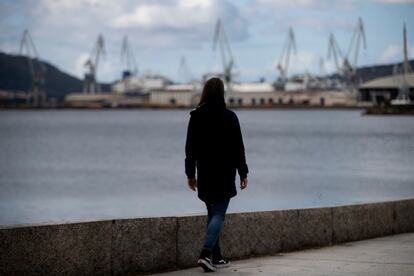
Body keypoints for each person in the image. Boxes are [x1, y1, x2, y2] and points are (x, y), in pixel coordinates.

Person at [185, 77, 249, 272]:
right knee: (218, 213)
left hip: (205, 172)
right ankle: (205, 254)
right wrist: (243, 173)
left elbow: (190, 149)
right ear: (222, 93)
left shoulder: (196, 116)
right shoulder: (230, 117)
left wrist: (190, 174)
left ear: (204, 92)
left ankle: (217, 257)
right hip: (224, 172)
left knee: (212, 213)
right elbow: (239, 148)